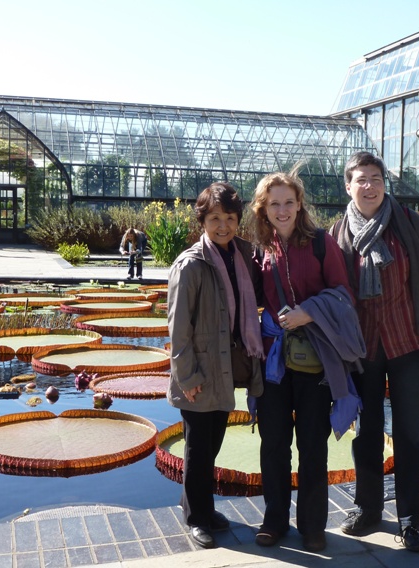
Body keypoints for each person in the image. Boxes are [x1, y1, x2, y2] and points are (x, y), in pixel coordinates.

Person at [330, 151, 419, 553]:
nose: (370, 186)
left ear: (385, 183)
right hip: (363, 349)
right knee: (366, 434)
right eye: (361, 179)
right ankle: (367, 509)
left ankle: (410, 521)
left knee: (411, 434)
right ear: (348, 186)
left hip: (409, 343)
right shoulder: (337, 234)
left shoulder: (410, 224)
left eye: (376, 178)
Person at [250, 171, 362, 553]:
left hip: (316, 360)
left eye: (289, 202)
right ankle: (274, 520)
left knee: (313, 444)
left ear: (300, 205)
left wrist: (308, 312)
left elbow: (343, 293)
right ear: (264, 209)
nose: (282, 210)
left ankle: (313, 525)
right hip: (275, 362)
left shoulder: (320, 244)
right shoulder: (259, 249)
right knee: (274, 443)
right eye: (274, 204)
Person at [166, 182, 264, 550]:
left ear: (238, 220)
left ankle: (200, 508)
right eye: (214, 218)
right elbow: (177, 327)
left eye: (229, 218)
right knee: (197, 448)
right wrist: (186, 376)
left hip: (225, 369)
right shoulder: (190, 264)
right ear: (202, 221)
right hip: (199, 372)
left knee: (214, 442)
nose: (222, 225)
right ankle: (196, 518)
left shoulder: (242, 256)